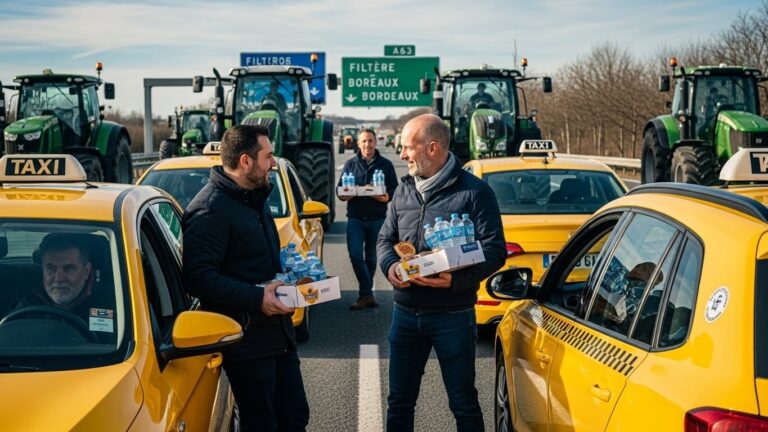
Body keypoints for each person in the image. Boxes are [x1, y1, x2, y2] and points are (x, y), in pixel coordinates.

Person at [377, 114, 506, 431]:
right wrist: (391, 266)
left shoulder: (475, 193)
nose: (403, 155)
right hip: (405, 315)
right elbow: (385, 239)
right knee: (399, 404)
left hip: (453, 315)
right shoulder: (404, 190)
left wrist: (455, 279)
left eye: (408, 148)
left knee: (463, 404)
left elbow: (495, 250)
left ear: (432, 147)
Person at [182, 124, 308, 432]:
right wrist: (257, 298)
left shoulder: (253, 199)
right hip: (246, 344)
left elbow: (255, 264)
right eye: (268, 156)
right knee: (262, 424)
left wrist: (291, 281)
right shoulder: (210, 210)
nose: (274, 163)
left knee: (294, 418)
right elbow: (199, 278)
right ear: (245, 162)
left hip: (277, 336)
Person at [337, 129, 398, 310]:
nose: (367, 145)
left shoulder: (385, 165)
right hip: (355, 218)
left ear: (375, 142)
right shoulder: (350, 164)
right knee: (355, 255)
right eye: (364, 141)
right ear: (358, 143)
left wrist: (387, 196)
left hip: (377, 218)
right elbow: (340, 190)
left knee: (371, 258)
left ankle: (365, 296)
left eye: (370, 141)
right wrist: (345, 195)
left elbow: (395, 189)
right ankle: (367, 293)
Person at [13, 233, 94, 316]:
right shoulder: (28, 300)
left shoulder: (105, 301)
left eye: (69, 268)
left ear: (86, 271)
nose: (59, 279)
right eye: (50, 268)